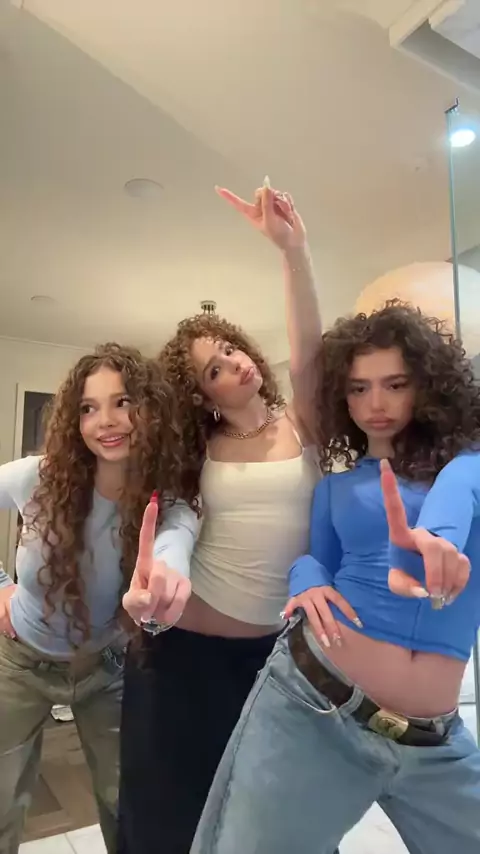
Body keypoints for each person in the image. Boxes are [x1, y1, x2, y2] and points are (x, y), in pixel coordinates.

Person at [190, 301, 480, 854]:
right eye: (358, 389)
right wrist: (305, 578)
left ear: (426, 386)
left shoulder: (467, 466)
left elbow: (457, 494)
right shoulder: (334, 488)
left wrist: (438, 537)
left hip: (436, 741)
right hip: (312, 702)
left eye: (395, 384)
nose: (376, 404)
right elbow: (316, 559)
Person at [118, 180, 322, 854]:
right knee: (171, 825)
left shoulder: (303, 422)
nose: (232, 365)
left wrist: (292, 251)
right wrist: (159, 581)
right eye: (213, 371)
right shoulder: (200, 452)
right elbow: (177, 526)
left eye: (229, 351)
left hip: (277, 654)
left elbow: (309, 352)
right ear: (201, 397)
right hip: (184, 657)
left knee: (280, 823)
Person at [0, 343, 200, 854]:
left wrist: (163, 584)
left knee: (126, 805)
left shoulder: (168, 506)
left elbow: (173, 547)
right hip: (18, 662)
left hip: (106, 669)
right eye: (89, 408)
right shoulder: (36, 477)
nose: (106, 421)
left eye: (122, 402)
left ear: (150, 410)